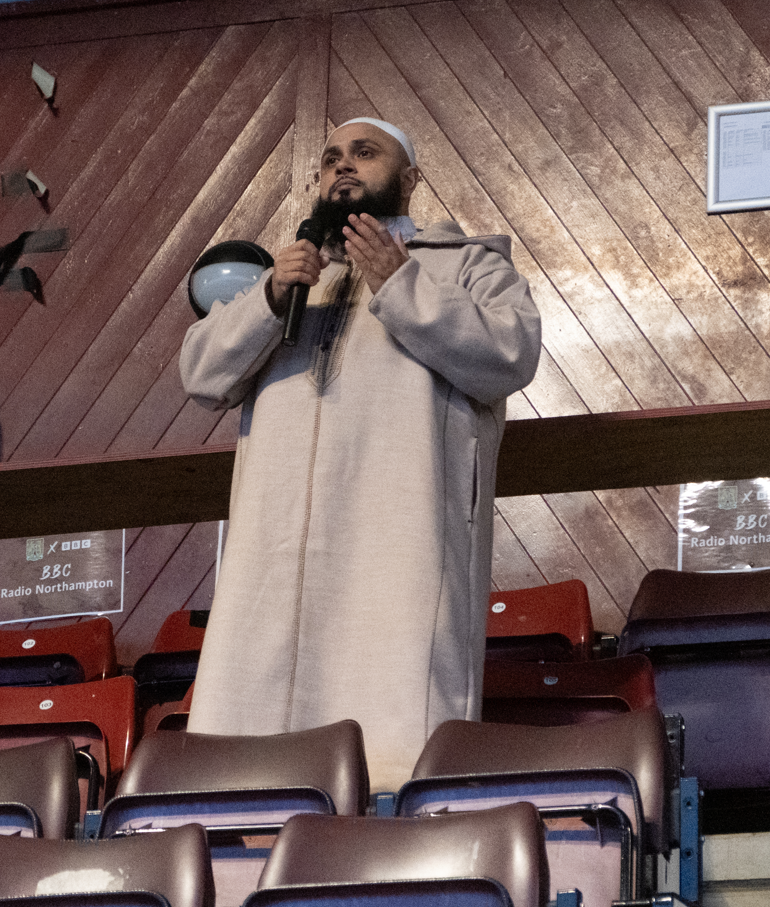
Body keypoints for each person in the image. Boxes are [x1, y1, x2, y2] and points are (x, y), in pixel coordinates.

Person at [179, 116, 542, 788]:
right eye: (330, 159)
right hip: (273, 551)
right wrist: (269, 296)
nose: (342, 166)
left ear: (409, 180)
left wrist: (399, 281)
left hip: (397, 545)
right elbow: (201, 376)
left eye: (365, 153)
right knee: (251, 768)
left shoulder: (465, 266)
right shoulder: (291, 278)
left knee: (391, 744)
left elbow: (511, 353)